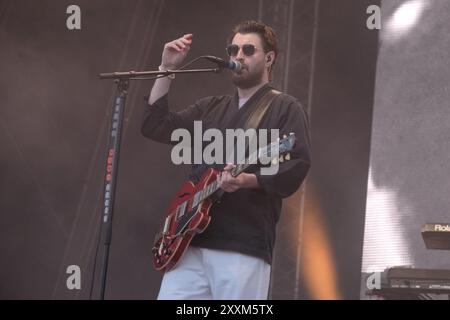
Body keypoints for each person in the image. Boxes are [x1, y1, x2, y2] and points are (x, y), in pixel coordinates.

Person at [141, 20, 311, 300]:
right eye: (233, 50)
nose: (237, 56)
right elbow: (155, 125)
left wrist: (248, 179)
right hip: (190, 244)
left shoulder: (285, 108)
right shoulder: (211, 107)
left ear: (269, 58)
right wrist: (166, 69)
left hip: (241, 246)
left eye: (248, 50)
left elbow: (296, 163)